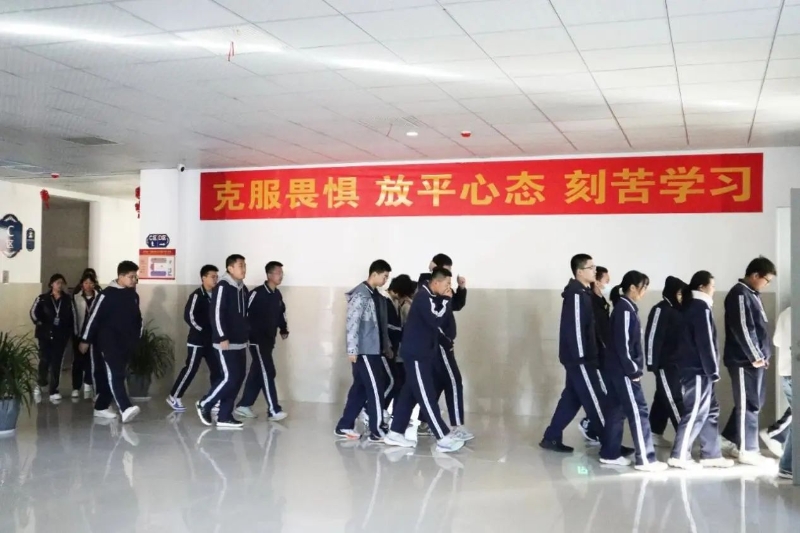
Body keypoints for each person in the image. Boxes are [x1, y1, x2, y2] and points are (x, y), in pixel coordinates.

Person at [384, 267, 465, 453]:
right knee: (426, 395)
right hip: (416, 355)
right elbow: (435, 319)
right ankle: (442, 437)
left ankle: (395, 432)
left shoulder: (431, 297)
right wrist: (446, 300)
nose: (448, 288)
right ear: (436, 282)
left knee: (410, 393)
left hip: (422, 354)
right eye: (447, 284)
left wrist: (447, 299)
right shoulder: (423, 297)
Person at [541, 254, 609, 454]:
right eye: (591, 267)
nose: (594, 270)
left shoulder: (584, 293)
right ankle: (610, 445)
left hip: (579, 358)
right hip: (580, 359)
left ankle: (551, 437)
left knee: (571, 398)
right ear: (579, 272)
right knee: (596, 400)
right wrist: (582, 358)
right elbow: (576, 328)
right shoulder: (577, 294)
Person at [668, 271, 734, 469]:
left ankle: (711, 454)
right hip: (698, 370)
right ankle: (679, 455)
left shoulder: (692, 306)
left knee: (710, 410)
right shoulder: (700, 307)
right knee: (695, 411)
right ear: (702, 287)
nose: (714, 289)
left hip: (697, 369)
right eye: (712, 285)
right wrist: (713, 370)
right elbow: (705, 343)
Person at [603, 270, 667, 472]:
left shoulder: (627, 308)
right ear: (632, 287)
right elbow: (623, 345)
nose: (644, 291)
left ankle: (610, 453)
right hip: (624, 371)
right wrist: (633, 370)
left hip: (618, 370)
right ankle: (646, 458)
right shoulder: (624, 309)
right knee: (639, 412)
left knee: (616, 411)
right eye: (643, 287)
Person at [720, 256, 776, 465]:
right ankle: (748, 450)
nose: (767, 284)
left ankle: (729, 439)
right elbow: (744, 328)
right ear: (755, 275)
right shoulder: (740, 295)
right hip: (745, 361)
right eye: (766, 280)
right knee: (748, 405)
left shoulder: (752, 294)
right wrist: (755, 356)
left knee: (753, 402)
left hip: (756, 360)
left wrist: (763, 355)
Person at [334, 259, 393, 442]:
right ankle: (377, 430)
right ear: (374, 274)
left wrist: (386, 346)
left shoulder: (376, 296)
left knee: (359, 389)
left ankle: (344, 425)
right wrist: (352, 350)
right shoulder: (360, 294)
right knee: (375, 388)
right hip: (365, 351)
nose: (386, 280)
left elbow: (380, 325)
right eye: (384, 276)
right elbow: (352, 323)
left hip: (374, 349)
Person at [416, 253, 472, 441]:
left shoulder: (443, 287)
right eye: (446, 274)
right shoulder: (426, 286)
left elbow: (455, 305)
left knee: (438, 382)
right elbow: (435, 317)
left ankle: (424, 421)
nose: (449, 280)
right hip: (440, 343)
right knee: (454, 381)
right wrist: (445, 340)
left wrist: (461, 288)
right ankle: (456, 426)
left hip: (442, 341)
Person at [79, 261, 142, 423]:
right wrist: (85, 339)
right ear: (121, 276)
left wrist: (137, 338)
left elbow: (137, 319)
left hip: (125, 342)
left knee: (115, 374)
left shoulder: (133, 295)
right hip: (108, 342)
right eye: (131, 277)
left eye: (135, 277)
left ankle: (101, 406)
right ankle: (125, 408)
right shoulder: (106, 295)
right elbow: (93, 318)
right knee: (115, 373)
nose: (134, 280)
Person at [196, 254, 250, 429]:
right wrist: (221, 336)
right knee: (229, 378)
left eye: (244, 265)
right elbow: (216, 313)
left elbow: (244, 315)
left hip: (240, 342)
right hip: (225, 342)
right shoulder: (222, 287)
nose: (244, 269)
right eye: (240, 265)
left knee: (238, 378)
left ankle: (224, 416)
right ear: (230, 268)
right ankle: (205, 403)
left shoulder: (243, 289)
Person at [235, 261, 290, 421]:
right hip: (256, 340)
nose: (281, 276)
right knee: (268, 372)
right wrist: (246, 332)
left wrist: (283, 329)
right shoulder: (257, 293)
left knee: (257, 372)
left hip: (269, 340)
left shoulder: (277, 294)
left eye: (281, 273)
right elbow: (243, 313)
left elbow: (281, 312)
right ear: (269, 275)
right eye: (278, 273)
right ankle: (274, 410)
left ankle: (244, 405)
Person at [166, 264, 221, 412]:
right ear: (203, 278)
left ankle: (215, 399)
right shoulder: (197, 295)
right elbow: (188, 316)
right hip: (197, 340)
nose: (215, 279)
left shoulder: (216, 295)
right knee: (191, 368)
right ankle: (174, 396)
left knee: (217, 369)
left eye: (217, 277)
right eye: (212, 276)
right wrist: (201, 330)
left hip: (212, 341)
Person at [644, 276, 687, 448]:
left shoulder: (678, 311)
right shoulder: (660, 309)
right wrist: (652, 364)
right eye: (679, 293)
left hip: (677, 364)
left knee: (662, 397)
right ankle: (685, 438)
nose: (681, 297)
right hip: (665, 364)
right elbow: (652, 337)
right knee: (674, 399)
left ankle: (654, 432)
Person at [31, 274, 76, 402]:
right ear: (51, 284)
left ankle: (54, 390)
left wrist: (70, 333)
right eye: (57, 283)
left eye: (61, 283)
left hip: (60, 336)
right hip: (44, 335)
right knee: (44, 360)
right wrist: (39, 323)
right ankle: (40, 383)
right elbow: (33, 312)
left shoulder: (67, 300)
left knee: (57, 362)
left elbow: (72, 317)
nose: (59, 285)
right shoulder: (42, 299)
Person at [579, 266, 611, 445]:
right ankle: (591, 425)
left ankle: (589, 425)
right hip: (596, 357)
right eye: (606, 280)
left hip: (604, 355)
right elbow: (596, 333)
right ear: (597, 282)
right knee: (602, 393)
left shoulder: (601, 301)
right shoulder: (590, 302)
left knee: (574, 396)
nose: (608, 283)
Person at [761, 306, 792, 458]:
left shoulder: (786, 313)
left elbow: (777, 341)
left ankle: (776, 434)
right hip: (794, 369)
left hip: (786, 369)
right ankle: (774, 433)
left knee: (795, 408)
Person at [384, 274, 416, 412]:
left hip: (397, 349)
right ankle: (379, 409)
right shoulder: (392, 303)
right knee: (395, 382)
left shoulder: (397, 302)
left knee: (398, 383)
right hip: (396, 351)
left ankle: (392, 411)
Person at [72, 272, 100, 400]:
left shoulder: (99, 297)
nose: (88, 285)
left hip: (94, 334)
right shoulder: (76, 297)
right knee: (78, 361)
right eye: (86, 283)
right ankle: (76, 387)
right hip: (80, 332)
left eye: (91, 283)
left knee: (92, 360)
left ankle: (89, 383)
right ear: (82, 284)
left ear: (94, 284)